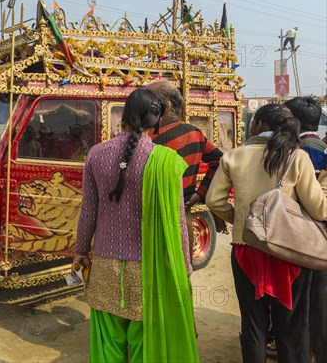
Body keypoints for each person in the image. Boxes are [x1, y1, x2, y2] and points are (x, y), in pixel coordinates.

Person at [73, 88, 198, 363]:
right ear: (156, 121)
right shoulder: (165, 162)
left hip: (105, 266)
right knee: (144, 348)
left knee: (108, 347)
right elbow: (177, 222)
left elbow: (88, 212)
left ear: (124, 115)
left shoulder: (96, 154)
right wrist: (184, 269)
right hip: (147, 271)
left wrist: (80, 250)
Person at [206, 104, 327, 363]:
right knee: (292, 326)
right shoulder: (297, 157)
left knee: (253, 325)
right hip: (289, 250)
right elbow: (319, 209)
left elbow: (214, 201)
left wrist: (243, 222)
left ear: (258, 123)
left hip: (246, 249)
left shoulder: (234, 156)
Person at [146, 81, 226, 257]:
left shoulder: (148, 136)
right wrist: (200, 193)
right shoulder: (193, 133)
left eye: (149, 101)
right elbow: (220, 160)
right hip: (183, 219)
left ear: (165, 105)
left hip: (151, 224)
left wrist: (201, 192)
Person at [283, 96, 327, 363]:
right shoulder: (322, 148)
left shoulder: (292, 151)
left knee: (299, 302)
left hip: (296, 236)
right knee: (319, 299)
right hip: (321, 235)